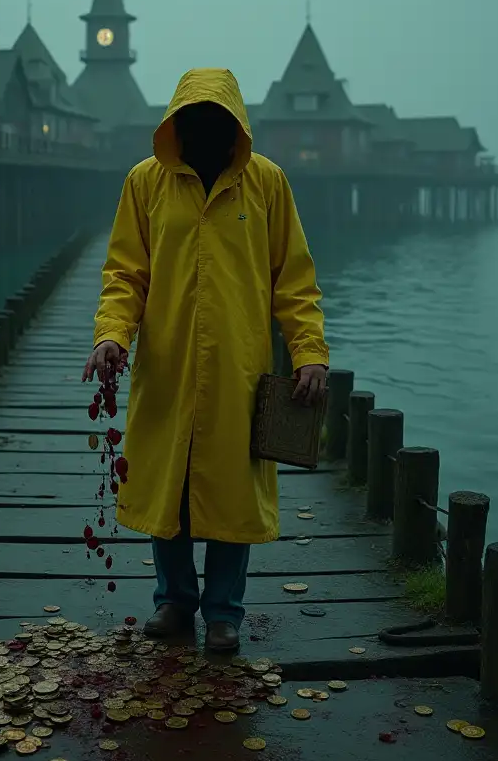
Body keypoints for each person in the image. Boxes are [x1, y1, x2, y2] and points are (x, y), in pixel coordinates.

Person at [83, 68, 328, 652]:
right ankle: (173, 602)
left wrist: (309, 352)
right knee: (167, 487)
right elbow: (125, 273)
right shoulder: (146, 183)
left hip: (238, 372)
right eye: (191, 121)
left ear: (237, 128)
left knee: (230, 494)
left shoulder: (267, 183)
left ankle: (224, 614)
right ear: (174, 126)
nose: (204, 131)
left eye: (217, 122)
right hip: (165, 366)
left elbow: (292, 279)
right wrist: (111, 335)